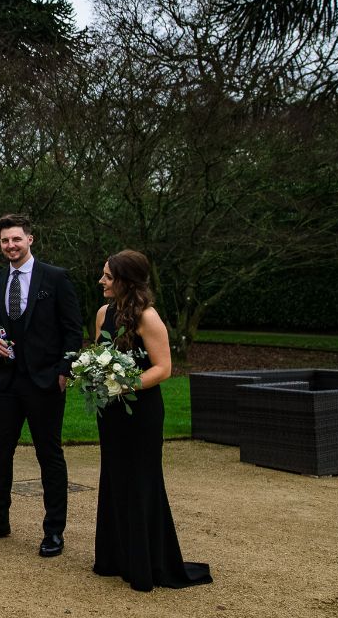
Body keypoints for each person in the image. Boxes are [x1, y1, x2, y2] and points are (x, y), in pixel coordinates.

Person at [93, 250, 212, 591]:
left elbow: (163, 369)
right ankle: (114, 557)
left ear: (126, 281)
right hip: (111, 411)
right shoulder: (104, 313)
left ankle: (146, 563)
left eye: (108, 276)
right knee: (114, 476)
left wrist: (124, 384)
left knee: (141, 478)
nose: (102, 281)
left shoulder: (149, 318)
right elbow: (99, 354)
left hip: (141, 411)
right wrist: (95, 377)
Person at [0, 214, 81, 557]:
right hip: (5, 379)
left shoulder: (55, 278)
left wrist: (65, 369)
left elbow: (74, 330)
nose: (10, 246)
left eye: (16, 239)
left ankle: (54, 531)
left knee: (49, 455)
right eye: (5, 241)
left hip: (45, 380)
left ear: (30, 239)